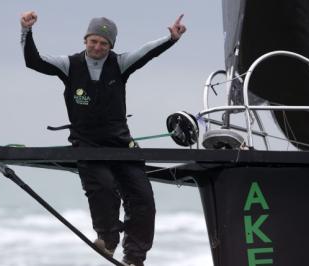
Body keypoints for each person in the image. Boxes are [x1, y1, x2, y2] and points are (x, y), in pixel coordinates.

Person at [20, 11, 186, 266]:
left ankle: (134, 258)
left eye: (104, 43)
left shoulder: (119, 63)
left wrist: (171, 38)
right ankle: (108, 240)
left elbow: (146, 52)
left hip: (121, 143)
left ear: (111, 46)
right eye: (93, 41)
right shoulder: (69, 65)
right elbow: (34, 61)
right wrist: (26, 31)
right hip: (87, 144)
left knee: (143, 200)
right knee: (105, 189)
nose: (98, 47)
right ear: (85, 40)